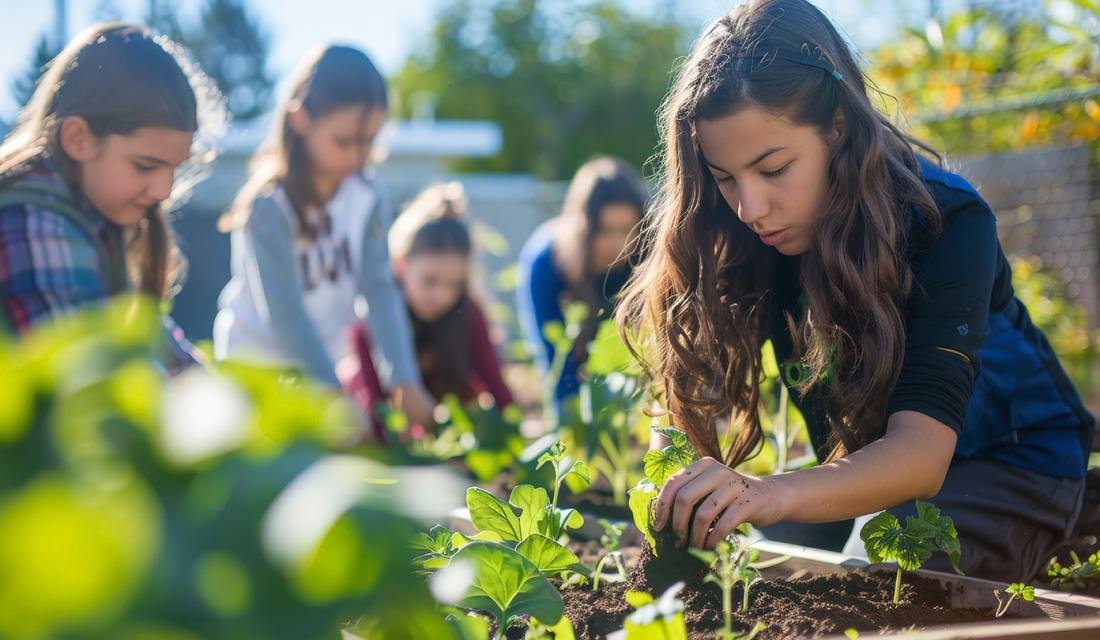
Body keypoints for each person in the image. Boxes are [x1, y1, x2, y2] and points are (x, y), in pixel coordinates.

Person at [618, 0, 1094, 582]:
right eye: (724, 178)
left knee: (880, 579)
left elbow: (921, 454)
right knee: (752, 568)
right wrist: (676, 489)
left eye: (774, 170)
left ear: (838, 128)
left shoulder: (945, 222)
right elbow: (686, 398)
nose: (750, 207)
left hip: (1011, 462)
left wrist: (766, 492)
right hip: (866, 474)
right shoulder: (749, 234)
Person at [214, 45, 434, 426]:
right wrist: (333, 399)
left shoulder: (367, 196)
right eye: (343, 141)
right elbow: (285, 313)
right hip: (255, 375)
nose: (356, 157)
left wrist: (403, 379)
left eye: (368, 142)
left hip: (324, 373)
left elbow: (379, 289)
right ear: (301, 120)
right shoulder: (270, 207)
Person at [0, 23, 224, 373]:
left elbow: (156, 343)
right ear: (78, 139)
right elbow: (88, 377)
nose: (164, 190)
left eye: (174, 169)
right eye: (145, 165)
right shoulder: (34, 222)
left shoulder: (93, 216)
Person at [516, 156, 648, 401]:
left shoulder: (646, 259)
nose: (617, 244)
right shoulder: (546, 263)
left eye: (627, 230)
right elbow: (557, 368)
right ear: (583, 227)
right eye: (604, 230)